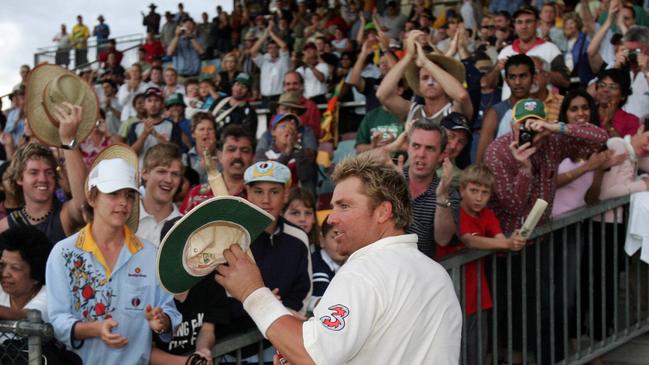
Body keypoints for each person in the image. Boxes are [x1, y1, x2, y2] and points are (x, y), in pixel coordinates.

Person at [215, 153, 462, 364]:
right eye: (334, 206)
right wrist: (304, 333)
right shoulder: (437, 273)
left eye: (344, 206)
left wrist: (252, 292)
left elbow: (312, 355)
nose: (331, 218)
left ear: (383, 212)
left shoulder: (365, 271)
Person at [484, 98, 608, 361]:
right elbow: (513, 204)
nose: (530, 130)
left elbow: (600, 137)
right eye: (523, 124)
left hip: (541, 240)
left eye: (535, 123)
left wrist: (556, 128)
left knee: (547, 306)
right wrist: (524, 170)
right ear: (512, 124)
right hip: (507, 246)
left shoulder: (553, 140)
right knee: (512, 312)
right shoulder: (498, 150)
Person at [46, 145, 181, 364]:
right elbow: (57, 320)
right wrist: (94, 329)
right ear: (92, 197)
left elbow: (170, 311)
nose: (123, 203)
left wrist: (162, 320)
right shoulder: (64, 253)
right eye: (113, 194)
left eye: (129, 195)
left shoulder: (149, 253)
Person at [436, 164, 526, 364]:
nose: (479, 198)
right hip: (451, 294)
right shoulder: (457, 212)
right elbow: (469, 240)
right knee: (452, 351)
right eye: (474, 191)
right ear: (462, 190)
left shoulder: (487, 215)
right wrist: (507, 243)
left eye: (485, 193)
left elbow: (500, 238)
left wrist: (514, 241)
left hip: (477, 294)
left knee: (476, 348)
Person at [0, 106, 87, 245]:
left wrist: (68, 139)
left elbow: (84, 204)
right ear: (19, 179)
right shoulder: (5, 228)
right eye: (33, 172)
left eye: (49, 172)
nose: (43, 179)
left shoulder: (65, 215)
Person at [377, 30, 473, 123]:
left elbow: (462, 96)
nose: (430, 82)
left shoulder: (456, 110)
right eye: (425, 78)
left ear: (445, 82)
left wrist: (426, 62)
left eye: (435, 78)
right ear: (419, 85)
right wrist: (408, 56)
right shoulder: (412, 111)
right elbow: (382, 95)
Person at [180, 124, 254, 213]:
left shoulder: (258, 196)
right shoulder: (197, 194)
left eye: (245, 151)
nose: (237, 155)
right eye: (231, 149)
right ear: (219, 155)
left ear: (253, 157)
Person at [476, 54, 535, 163]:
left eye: (523, 76)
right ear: (506, 80)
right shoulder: (495, 113)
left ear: (533, 77)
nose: (517, 82)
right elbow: (481, 157)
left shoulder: (542, 109)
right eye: (512, 77)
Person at [255, 113, 317, 195]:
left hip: (297, 200)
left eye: (292, 128)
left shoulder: (302, 153)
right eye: (283, 126)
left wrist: (297, 150)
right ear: (273, 132)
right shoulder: (263, 153)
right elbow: (267, 177)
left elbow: (305, 177)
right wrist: (286, 153)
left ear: (297, 134)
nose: (288, 130)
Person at [0, 226, 52, 321]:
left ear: (36, 275)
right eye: (2, 265)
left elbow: (26, 316)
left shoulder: (50, 296)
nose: (4, 274)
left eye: (15, 268)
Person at [137, 143, 183, 246]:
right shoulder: (124, 217)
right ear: (144, 173)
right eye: (162, 172)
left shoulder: (185, 226)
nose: (168, 180)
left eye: (175, 174)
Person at [127, 87, 183, 159]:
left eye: (156, 100)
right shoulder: (135, 127)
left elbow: (176, 153)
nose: (153, 104)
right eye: (149, 100)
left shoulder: (173, 126)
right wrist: (144, 134)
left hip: (165, 169)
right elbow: (131, 155)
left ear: (162, 104)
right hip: (142, 170)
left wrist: (156, 135)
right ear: (144, 104)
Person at [308, 216, 347, 312]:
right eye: (334, 237)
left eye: (345, 238)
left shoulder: (352, 263)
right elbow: (320, 300)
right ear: (321, 240)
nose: (340, 243)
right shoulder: (315, 264)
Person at [250, 20, 291, 104]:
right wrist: (265, 34)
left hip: (280, 97)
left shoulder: (284, 60)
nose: (272, 50)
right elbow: (253, 51)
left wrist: (271, 34)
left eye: (274, 47)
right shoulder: (264, 61)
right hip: (265, 98)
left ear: (278, 49)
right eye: (270, 48)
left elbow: (284, 46)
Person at [282, 72, 321, 138]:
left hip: (303, 142)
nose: (291, 87)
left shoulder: (310, 106)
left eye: (295, 83)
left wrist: (299, 125)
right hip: (281, 142)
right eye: (288, 84)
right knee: (266, 135)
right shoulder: (279, 106)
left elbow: (316, 133)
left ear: (302, 86)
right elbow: (272, 128)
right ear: (284, 87)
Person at [184, 112, 218, 184]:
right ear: (193, 134)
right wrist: (206, 157)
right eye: (202, 129)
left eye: (210, 129)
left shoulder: (224, 156)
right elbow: (187, 184)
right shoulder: (185, 159)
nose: (206, 132)